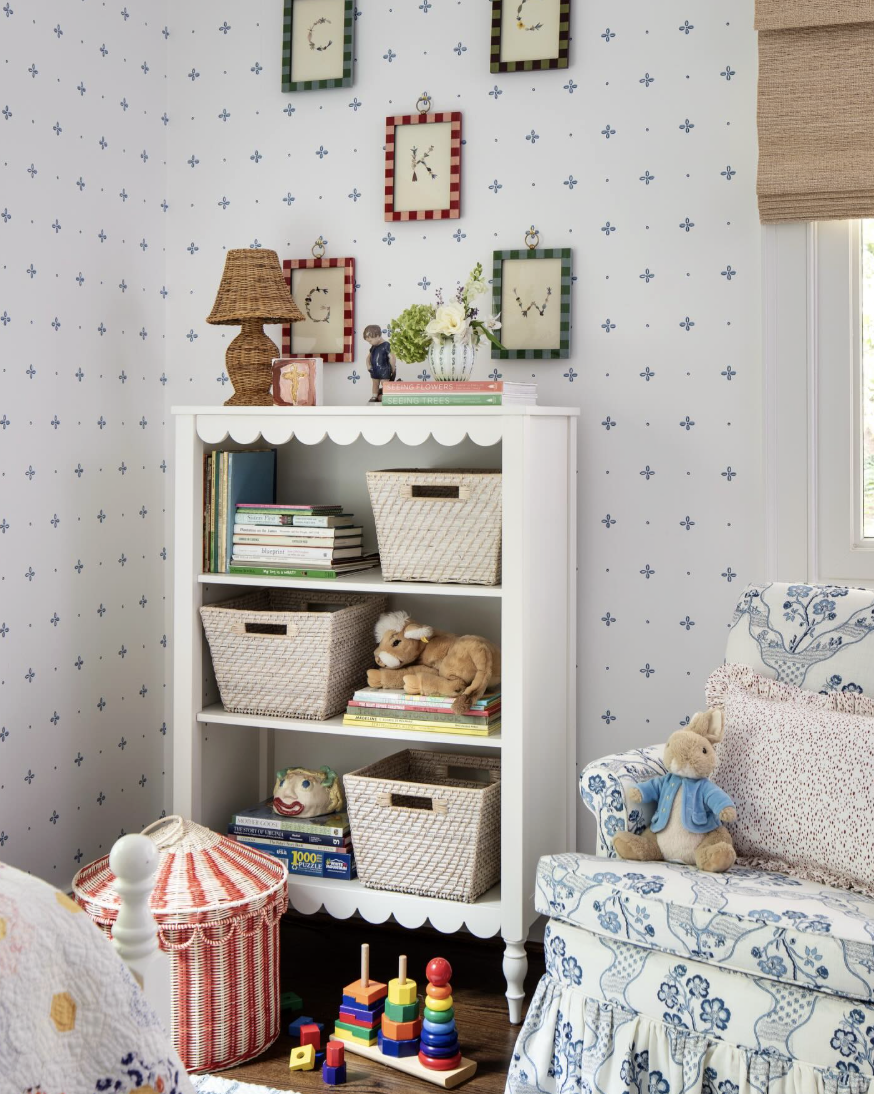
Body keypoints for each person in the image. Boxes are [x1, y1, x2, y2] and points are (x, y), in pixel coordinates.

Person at [363, 324, 396, 402]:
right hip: (374, 369)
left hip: (384, 369)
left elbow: (392, 357)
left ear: (378, 336)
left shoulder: (386, 345)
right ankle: (374, 396)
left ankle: (386, 395)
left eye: (370, 340)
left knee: (385, 383)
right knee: (375, 383)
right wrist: (368, 366)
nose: (370, 343)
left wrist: (393, 368)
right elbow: (368, 357)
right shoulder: (373, 347)